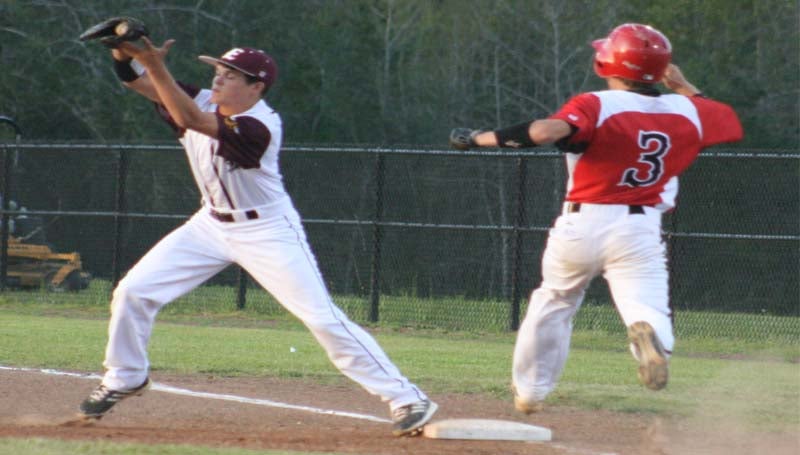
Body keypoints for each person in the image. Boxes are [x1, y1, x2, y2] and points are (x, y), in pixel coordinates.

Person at [77, 36, 437, 436]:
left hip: (266, 229)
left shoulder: (259, 125)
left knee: (322, 318)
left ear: (256, 87)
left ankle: (407, 398)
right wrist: (122, 49)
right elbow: (136, 80)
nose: (218, 80)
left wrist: (154, 63)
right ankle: (126, 376)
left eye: (230, 76)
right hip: (209, 224)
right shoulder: (203, 101)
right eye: (217, 72)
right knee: (133, 292)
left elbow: (190, 119)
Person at [450, 23, 742, 413]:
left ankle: (531, 392)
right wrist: (684, 86)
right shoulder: (687, 111)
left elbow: (545, 131)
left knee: (554, 300)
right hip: (639, 227)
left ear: (608, 62)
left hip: (582, 224)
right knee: (647, 307)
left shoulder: (598, 103)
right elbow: (725, 118)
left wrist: (478, 139)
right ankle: (651, 339)